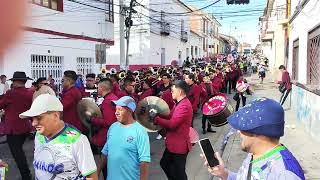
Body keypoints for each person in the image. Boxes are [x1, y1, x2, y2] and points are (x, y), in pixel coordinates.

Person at [201, 98, 305, 180]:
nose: (238, 132)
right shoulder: (255, 153)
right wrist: (224, 174)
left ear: (257, 132)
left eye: (242, 128)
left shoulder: (284, 174)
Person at [19, 94, 98, 180]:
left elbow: (92, 177)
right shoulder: (39, 135)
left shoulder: (78, 140)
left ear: (56, 116)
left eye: (39, 118)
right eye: (32, 119)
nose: (33, 123)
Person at [97, 96, 150, 180]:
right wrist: (97, 171)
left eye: (120, 109)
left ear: (130, 111)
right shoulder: (113, 127)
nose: (116, 113)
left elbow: (144, 161)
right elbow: (105, 152)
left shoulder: (140, 131)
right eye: (116, 109)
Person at [152, 80, 193, 180]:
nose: (171, 92)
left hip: (179, 146)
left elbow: (172, 124)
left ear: (179, 92)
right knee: (165, 164)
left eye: (172, 91)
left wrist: (156, 119)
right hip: (173, 144)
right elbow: (171, 115)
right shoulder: (179, 103)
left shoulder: (184, 106)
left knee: (179, 173)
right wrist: (158, 113)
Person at [0, 71, 33, 180]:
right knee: (21, 153)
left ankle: (26, 176)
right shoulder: (30, 92)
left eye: (13, 81)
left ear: (16, 82)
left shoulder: (11, 93)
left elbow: (1, 104)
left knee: (18, 155)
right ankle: (27, 174)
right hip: (25, 127)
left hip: (13, 130)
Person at [91, 78, 118, 150]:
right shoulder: (113, 97)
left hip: (108, 134)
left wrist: (93, 119)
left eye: (98, 87)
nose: (97, 89)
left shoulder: (107, 101)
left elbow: (108, 122)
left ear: (101, 88)